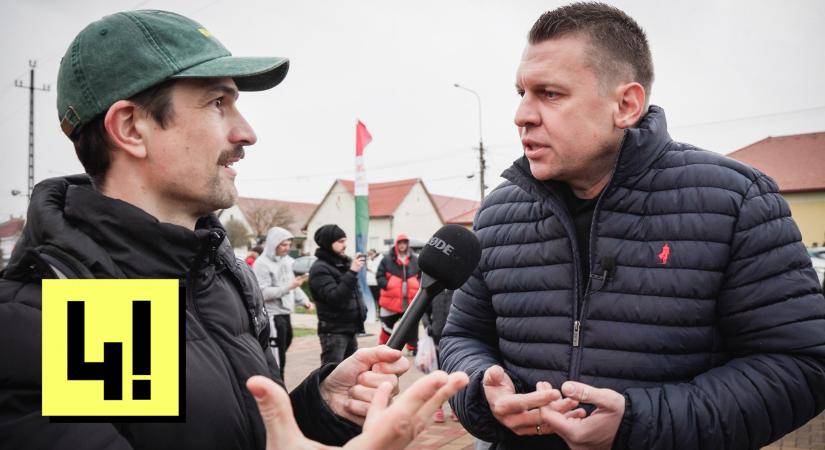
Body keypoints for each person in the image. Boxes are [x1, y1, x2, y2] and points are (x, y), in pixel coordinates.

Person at [0, 10, 466, 450]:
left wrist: (318, 405)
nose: (246, 133)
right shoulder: (82, 306)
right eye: (217, 103)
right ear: (131, 128)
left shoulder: (213, 269)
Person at [440, 3, 825, 450]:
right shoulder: (497, 213)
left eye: (550, 94)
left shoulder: (736, 200)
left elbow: (801, 366)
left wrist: (638, 425)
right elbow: (462, 337)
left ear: (626, 105)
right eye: (521, 92)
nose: (522, 114)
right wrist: (482, 396)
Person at [253, 226, 314, 378]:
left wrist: (304, 301)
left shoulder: (287, 261)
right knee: (277, 359)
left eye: (289, 245)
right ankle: (277, 390)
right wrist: (289, 287)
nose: (287, 248)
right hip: (272, 316)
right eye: (283, 245)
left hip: (285, 314)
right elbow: (262, 293)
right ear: (274, 244)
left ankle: (273, 383)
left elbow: (294, 284)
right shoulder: (261, 264)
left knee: (283, 349)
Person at [309, 224, 367, 365]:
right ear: (329, 243)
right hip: (333, 332)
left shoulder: (342, 264)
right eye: (340, 241)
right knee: (331, 376)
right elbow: (334, 298)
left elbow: (353, 292)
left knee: (350, 374)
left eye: (345, 241)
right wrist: (352, 272)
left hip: (349, 328)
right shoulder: (319, 268)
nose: (345, 245)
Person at [377, 234, 421, 351]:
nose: (402, 245)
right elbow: (380, 276)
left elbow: (421, 276)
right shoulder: (387, 259)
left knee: (411, 325)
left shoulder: (415, 259)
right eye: (400, 243)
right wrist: (387, 285)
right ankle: (383, 348)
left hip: (410, 300)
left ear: (407, 244)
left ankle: (412, 347)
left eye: (404, 243)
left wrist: (418, 285)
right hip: (390, 300)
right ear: (396, 244)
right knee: (387, 326)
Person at [422, 289, 459, 423]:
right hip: (436, 339)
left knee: (453, 375)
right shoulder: (434, 292)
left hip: (454, 341)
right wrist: (428, 325)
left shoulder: (457, 291)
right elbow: (424, 312)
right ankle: (438, 407)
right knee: (437, 376)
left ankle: (455, 408)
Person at [365, 248, 383, 314]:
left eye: (371, 254)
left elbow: (378, 271)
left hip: (376, 283)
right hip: (369, 283)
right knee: (372, 299)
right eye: (369, 254)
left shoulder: (379, 260)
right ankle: (374, 313)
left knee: (378, 299)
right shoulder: (369, 260)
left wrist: (370, 269)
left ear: (375, 253)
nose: (370, 255)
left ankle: (379, 313)